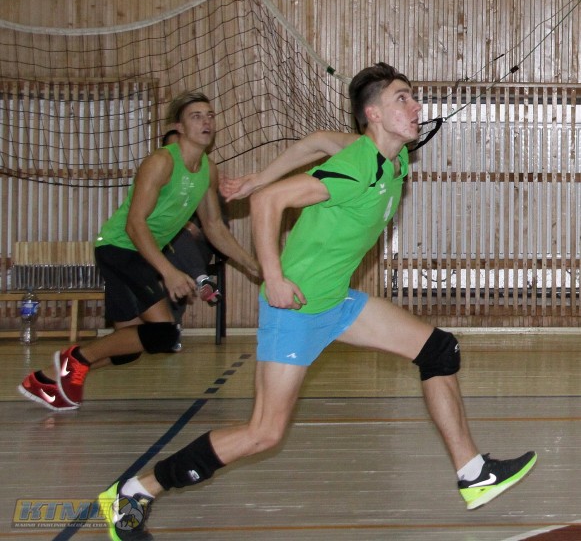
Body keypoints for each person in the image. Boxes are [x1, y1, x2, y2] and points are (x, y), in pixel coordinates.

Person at [98, 64, 536, 540]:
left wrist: (255, 177)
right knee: (263, 433)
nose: (416, 107)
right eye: (402, 99)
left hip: (335, 302)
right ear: (373, 114)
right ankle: (135, 491)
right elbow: (268, 204)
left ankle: (473, 473)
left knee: (439, 350)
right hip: (297, 309)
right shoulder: (356, 167)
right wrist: (274, 276)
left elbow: (316, 141)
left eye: (413, 97)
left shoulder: (391, 158)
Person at [18, 91, 259, 412]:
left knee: (128, 348)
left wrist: (253, 265)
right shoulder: (161, 162)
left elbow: (214, 226)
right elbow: (135, 224)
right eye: (196, 116)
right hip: (121, 248)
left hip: (138, 253)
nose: (206, 121)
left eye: (210, 115)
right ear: (179, 127)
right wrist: (169, 271)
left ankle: (46, 380)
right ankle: (74, 359)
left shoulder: (208, 170)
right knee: (164, 334)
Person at [160, 129, 228, 323]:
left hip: (199, 247)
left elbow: (221, 229)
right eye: (173, 150)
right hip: (161, 249)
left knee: (175, 248)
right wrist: (182, 223)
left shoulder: (205, 178)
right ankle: (203, 280)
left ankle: (171, 326)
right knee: (172, 245)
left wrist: (199, 229)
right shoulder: (156, 181)